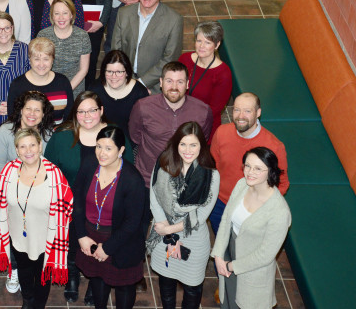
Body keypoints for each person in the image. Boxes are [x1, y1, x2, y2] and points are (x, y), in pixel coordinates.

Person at [0, 129, 73, 309]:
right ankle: (27, 299)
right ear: (17, 150)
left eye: (32, 145)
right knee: (24, 271)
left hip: (45, 240)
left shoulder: (54, 176)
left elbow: (68, 206)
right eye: (23, 146)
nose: (28, 150)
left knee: (42, 275)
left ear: (40, 146)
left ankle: (39, 304)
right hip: (17, 236)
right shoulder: (8, 172)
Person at [72, 126, 148, 309]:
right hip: (91, 235)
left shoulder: (132, 179)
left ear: (121, 150)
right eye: (99, 146)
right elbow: (77, 201)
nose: (101, 153)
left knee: (124, 286)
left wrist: (108, 248)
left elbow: (133, 223)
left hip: (121, 241)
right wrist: (81, 235)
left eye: (108, 148)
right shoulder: (90, 164)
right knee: (98, 278)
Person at [44, 91, 109, 302]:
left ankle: (94, 282)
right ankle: (73, 277)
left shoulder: (114, 135)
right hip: (69, 205)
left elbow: (126, 170)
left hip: (103, 208)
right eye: (81, 111)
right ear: (75, 113)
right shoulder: (61, 135)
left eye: (92, 110)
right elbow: (48, 171)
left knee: (99, 247)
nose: (87, 116)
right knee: (72, 245)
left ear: (101, 111)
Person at [147, 122, 219, 309]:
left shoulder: (211, 174)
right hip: (162, 230)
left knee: (192, 289)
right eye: (183, 144)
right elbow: (154, 195)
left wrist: (169, 229)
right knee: (166, 283)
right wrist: (163, 224)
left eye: (193, 145)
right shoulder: (163, 162)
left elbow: (202, 213)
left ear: (201, 146)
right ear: (176, 144)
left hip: (192, 237)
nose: (188, 150)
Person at [210, 147, 291, 309]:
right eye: (247, 166)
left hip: (251, 269)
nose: (250, 172)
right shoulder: (242, 185)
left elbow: (265, 255)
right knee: (228, 301)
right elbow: (226, 219)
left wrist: (230, 266)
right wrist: (218, 255)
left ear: (270, 171)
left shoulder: (280, 212)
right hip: (229, 253)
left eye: (258, 168)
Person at [209, 93, 289, 234]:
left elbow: (282, 184)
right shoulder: (221, 133)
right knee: (223, 248)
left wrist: (260, 207)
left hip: (251, 210)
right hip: (220, 204)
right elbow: (212, 165)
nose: (241, 116)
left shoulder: (274, 146)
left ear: (258, 113)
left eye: (247, 111)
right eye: (237, 109)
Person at [128, 62, 213, 186]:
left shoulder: (203, 111)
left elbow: (202, 140)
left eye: (180, 82)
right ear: (161, 82)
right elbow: (135, 136)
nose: (174, 87)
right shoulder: (142, 107)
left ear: (187, 84)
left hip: (185, 181)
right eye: (169, 81)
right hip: (148, 179)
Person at [111, 0, 183, 92]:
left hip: (154, 86)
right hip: (123, 80)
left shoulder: (174, 20)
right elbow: (116, 50)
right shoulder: (124, 13)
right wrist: (125, 79)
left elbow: (169, 60)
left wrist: (141, 83)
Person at [89, 50, 149, 162]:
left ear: (126, 72)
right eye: (109, 71)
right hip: (100, 145)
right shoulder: (95, 89)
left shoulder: (139, 92)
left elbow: (145, 126)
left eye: (119, 72)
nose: (114, 76)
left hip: (129, 147)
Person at [178, 20, 233, 135]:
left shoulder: (223, 73)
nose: (201, 46)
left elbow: (214, 110)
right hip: (178, 116)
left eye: (208, 42)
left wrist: (187, 116)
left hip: (203, 126)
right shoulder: (184, 59)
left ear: (217, 45)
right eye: (199, 41)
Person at [7, 37, 74, 125]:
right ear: (30, 60)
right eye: (37, 59)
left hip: (58, 135)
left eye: (46, 59)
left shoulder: (63, 82)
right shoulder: (17, 85)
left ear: (52, 60)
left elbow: (69, 117)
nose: (41, 64)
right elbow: (13, 119)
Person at [38, 0, 92, 98]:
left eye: (65, 13)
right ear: (52, 16)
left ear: (71, 15)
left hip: (74, 91)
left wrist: (66, 90)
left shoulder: (82, 36)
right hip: (48, 90)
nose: (61, 18)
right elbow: (39, 66)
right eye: (57, 13)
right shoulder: (43, 35)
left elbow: (83, 69)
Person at [0, 90, 55, 175]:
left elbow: (52, 167)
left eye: (37, 110)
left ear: (43, 114)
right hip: (10, 182)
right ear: (21, 110)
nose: (32, 113)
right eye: (28, 109)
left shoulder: (49, 134)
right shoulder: (5, 131)